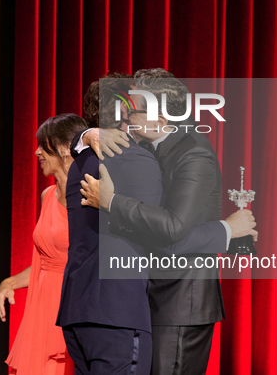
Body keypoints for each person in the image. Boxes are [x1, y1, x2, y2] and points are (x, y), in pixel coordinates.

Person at [79, 69, 257, 374]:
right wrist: (89, 133)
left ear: (161, 119)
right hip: (154, 296)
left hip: (181, 303)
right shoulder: (148, 146)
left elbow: (173, 228)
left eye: (133, 110)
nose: (126, 117)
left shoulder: (193, 154)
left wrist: (111, 201)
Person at [56, 74, 164, 374]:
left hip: (78, 310)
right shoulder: (136, 160)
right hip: (118, 313)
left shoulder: (79, 162)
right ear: (126, 114)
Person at [0, 114, 88, 375]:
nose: (36, 152)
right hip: (41, 311)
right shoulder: (47, 195)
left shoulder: (89, 196)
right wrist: (10, 283)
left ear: (64, 149)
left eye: (42, 146)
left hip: (73, 306)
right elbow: (45, 262)